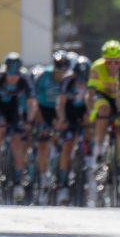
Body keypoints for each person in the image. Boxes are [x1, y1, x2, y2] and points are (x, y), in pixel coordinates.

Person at [0, 53, 33, 201]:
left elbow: (32, 102)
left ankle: (18, 179)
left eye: (17, 73)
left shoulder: (25, 80)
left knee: (17, 139)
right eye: (11, 72)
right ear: (5, 71)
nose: (14, 76)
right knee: (0, 128)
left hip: (13, 109)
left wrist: (30, 122)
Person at [31, 52, 69, 203]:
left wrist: (61, 120)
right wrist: (42, 123)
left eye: (63, 71)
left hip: (59, 110)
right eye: (57, 71)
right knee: (42, 143)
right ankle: (43, 180)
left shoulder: (68, 79)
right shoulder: (42, 77)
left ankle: (58, 176)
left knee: (59, 139)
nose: (60, 75)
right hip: (42, 110)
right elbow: (34, 103)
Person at [55, 59, 91, 204]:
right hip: (69, 113)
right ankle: (63, 183)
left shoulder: (92, 80)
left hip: (84, 111)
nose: (81, 83)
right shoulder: (67, 80)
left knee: (90, 124)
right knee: (68, 144)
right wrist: (62, 119)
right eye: (79, 79)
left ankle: (89, 156)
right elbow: (60, 103)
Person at [88, 40, 120, 166]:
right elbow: (90, 93)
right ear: (104, 60)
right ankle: (99, 146)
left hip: (119, 96)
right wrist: (92, 110)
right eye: (109, 61)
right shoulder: (97, 67)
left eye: (116, 61)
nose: (113, 65)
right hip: (103, 95)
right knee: (103, 111)